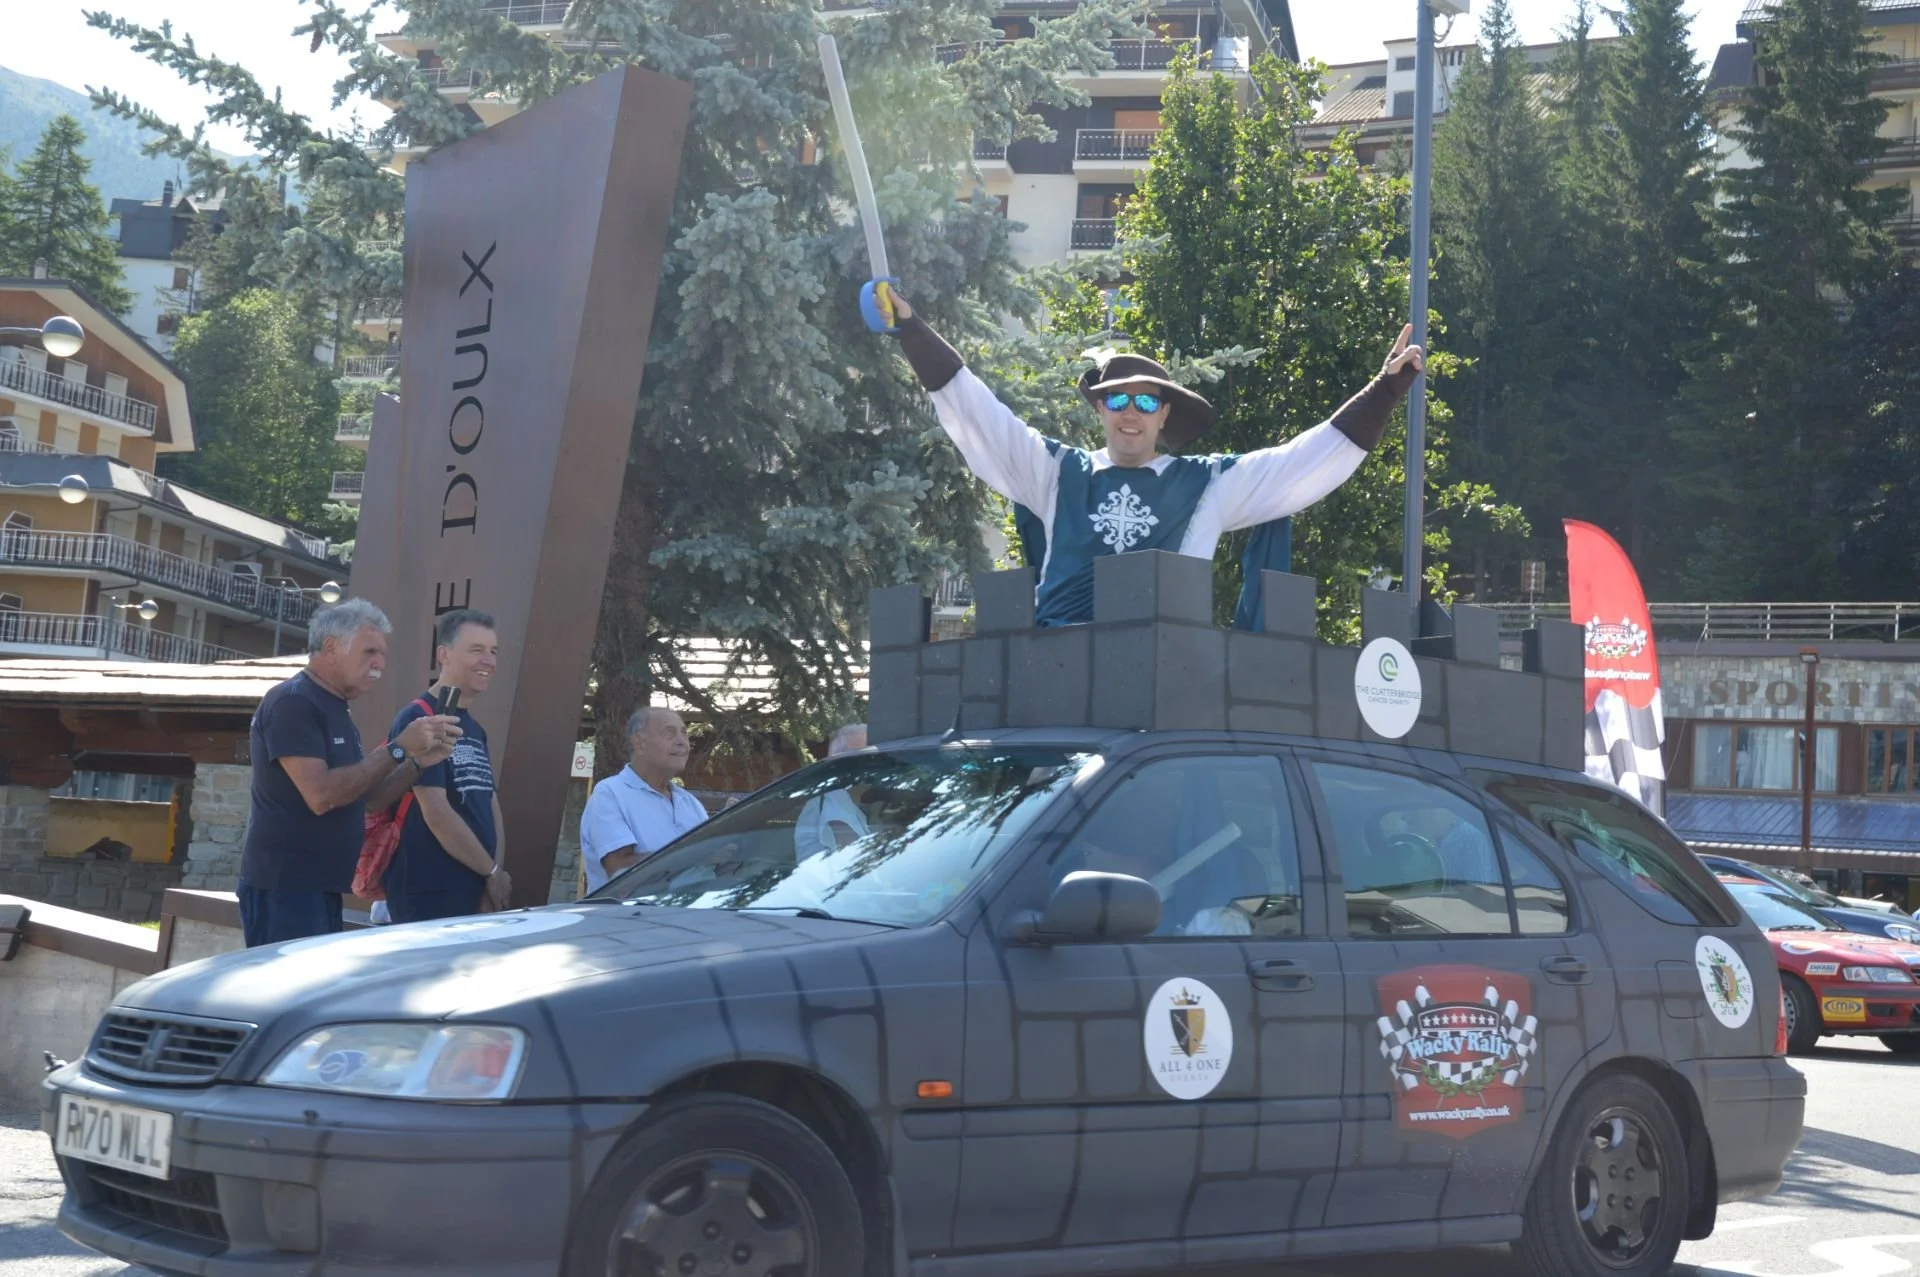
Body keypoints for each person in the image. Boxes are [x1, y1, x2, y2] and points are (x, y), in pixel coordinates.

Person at [882, 293, 1425, 627]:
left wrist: (1384, 391)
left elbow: (1304, 461)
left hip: (1164, 681)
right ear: (1099, 408)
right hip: (1056, 671)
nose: (1130, 413)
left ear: (1165, 414)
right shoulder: (1056, 472)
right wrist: (911, 329)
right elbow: (979, 413)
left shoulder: (1207, 483)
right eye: (1117, 399)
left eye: (1146, 401)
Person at [238, 599, 460, 946]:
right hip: (286, 886)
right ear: (330, 648)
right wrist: (398, 748)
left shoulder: (334, 706)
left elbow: (367, 800)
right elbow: (322, 795)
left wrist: (417, 763)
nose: (379, 665)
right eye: (370, 651)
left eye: (383, 655)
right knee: (289, 998)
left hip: (319, 886)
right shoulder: (293, 701)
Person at [382, 610, 510, 922]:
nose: (489, 661)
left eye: (493, 652)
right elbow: (436, 812)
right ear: (444, 655)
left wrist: (492, 876)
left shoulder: (475, 729)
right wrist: (491, 871)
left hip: (476, 887)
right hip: (429, 891)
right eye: (476, 650)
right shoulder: (420, 718)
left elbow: (490, 805)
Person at [579, 707, 709, 894]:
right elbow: (620, 870)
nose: (682, 742)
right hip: (627, 920)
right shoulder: (610, 794)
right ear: (639, 743)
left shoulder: (690, 803)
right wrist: (695, 856)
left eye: (684, 733)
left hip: (687, 918)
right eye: (669, 733)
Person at [794, 722, 870, 860]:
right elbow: (858, 862)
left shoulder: (846, 799)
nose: (873, 761)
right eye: (864, 755)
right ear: (841, 763)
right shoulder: (833, 803)